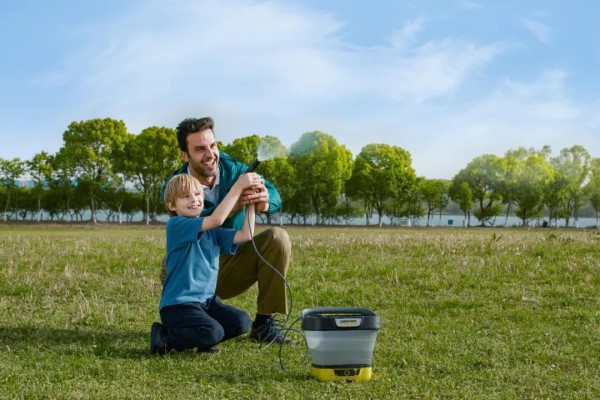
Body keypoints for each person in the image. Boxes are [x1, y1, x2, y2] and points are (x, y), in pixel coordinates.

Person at [159, 117, 292, 344]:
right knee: (171, 269)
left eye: (213, 145)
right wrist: (235, 199)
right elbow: (210, 220)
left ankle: (264, 323)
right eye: (199, 149)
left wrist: (261, 200)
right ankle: (190, 321)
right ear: (185, 155)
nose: (210, 154)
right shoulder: (176, 186)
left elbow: (272, 196)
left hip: (232, 261)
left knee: (278, 238)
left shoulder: (234, 169)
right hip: (191, 273)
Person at [150, 172, 261, 355]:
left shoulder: (212, 232)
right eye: (186, 196)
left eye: (197, 194)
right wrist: (238, 186)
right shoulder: (177, 225)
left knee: (242, 322)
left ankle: (205, 339)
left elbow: (246, 235)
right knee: (213, 331)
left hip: (206, 302)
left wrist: (250, 204)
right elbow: (217, 218)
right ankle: (165, 337)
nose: (194, 199)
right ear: (171, 205)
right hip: (178, 306)